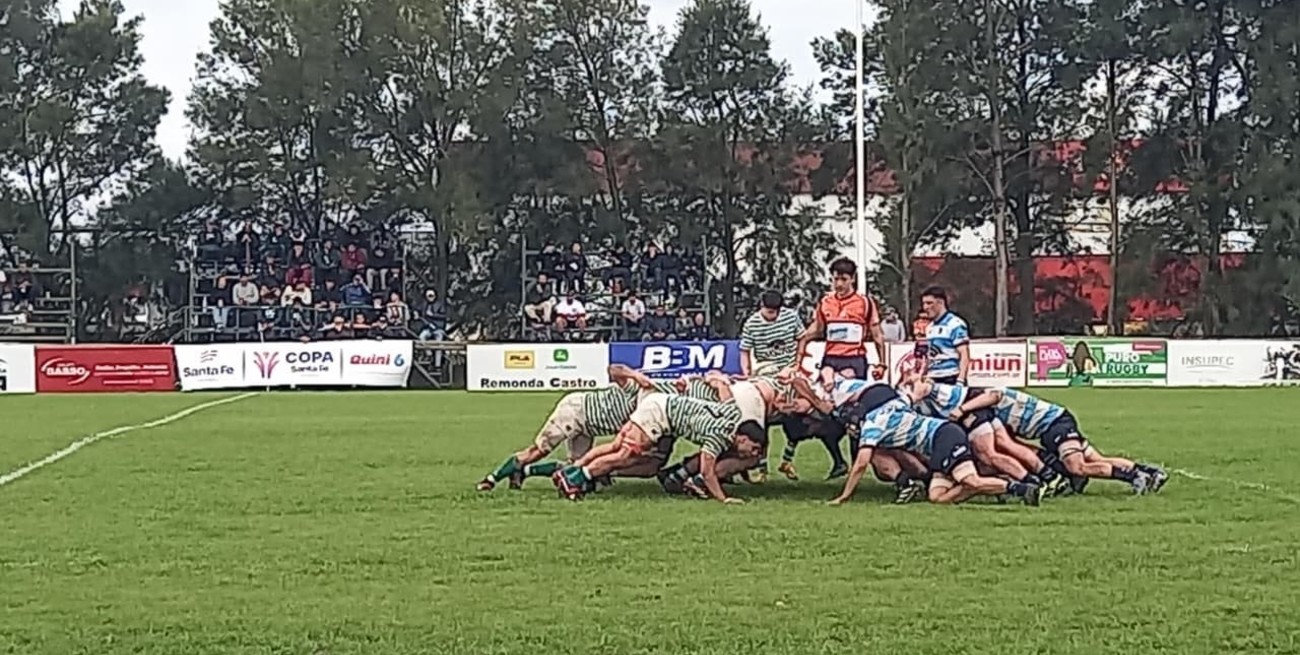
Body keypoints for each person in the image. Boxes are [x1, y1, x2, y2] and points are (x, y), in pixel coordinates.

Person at [554, 394, 769, 503]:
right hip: (658, 415)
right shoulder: (718, 437)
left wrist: (718, 379)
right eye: (754, 447)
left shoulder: (734, 414)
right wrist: (724, 499)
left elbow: (726, 393)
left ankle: (571, 472)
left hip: (658, 403)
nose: (753, 453)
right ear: (742, 437)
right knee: (625, 456)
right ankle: (575, 479)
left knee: (616, 446)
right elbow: (707, 472)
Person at [475, 365, 658, 491]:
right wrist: (635, 375)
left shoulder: (650, 409)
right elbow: (613, 369)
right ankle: (491, 479)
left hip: (590, 427)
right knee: (538, 450)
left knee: (575, 468)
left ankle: (523, 472)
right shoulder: (635, 388)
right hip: (577, 411)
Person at [987, 387, 1169, 495]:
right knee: (1097, 459)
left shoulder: (990, 399)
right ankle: (1149, 472)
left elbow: (1007, 441)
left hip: (1054, 425)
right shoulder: (991, 402)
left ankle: (1134, 477)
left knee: (1078, 467)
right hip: (1055, 424)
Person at [794, 258, 886, 382]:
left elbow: (877, 335)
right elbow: (816, 330)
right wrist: (799, 356)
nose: (839, 284)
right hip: (831, 358)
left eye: (844, 279)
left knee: (851, 396)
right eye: (836, 279)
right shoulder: (825, 302)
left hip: (855, 358)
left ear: (852, 279)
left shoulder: (865, 302)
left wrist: (882, 363)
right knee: (827, 395)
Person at [739, 290, 805, 377]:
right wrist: (747, 373)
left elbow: (802, 337)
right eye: (769, 312)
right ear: (762, 306)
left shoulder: (791, 316)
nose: (772, 315)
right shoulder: (751, 324)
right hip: (765, 369)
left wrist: (797, 363)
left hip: (789, 368)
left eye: (775, 312)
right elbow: (744, 351)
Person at [920, 286, 970, 385]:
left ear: (941, 303)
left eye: (929, 303)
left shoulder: (955, 324)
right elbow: (929, 356)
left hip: (950, 376)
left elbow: (964, 355)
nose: (925, 307)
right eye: (924, 303)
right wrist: (922, 375)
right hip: (933, 377)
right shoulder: (929, 327)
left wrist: (960, 380)